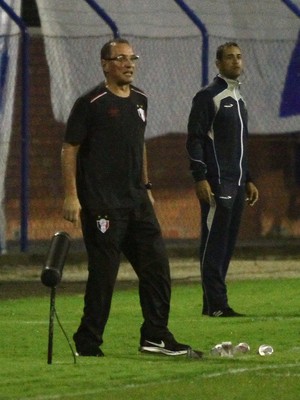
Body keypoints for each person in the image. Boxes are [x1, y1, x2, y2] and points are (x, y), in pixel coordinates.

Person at [61, 38, 192, 357]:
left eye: (132, 58)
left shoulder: (141, 99)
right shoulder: (91, 102)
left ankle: (155, 336)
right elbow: (69, 148)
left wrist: (146, 187)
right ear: (105, 64)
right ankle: (88, 341)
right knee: (104, 276)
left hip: (137, 203)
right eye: (120, 59)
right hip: (103, 205)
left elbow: (139, 144)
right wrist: (71, 196)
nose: (128, 64)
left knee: (157, 268)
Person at [186, 42, 259, 317]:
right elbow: (195, 139)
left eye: (239, 57)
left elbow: (239, 144)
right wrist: (200, 177)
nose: (236, 62)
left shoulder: (238, 97)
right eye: (229, 58)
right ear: (218, 63)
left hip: (238, 182)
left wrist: (248, 178)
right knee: (214, 244)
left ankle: (213, 304)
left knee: (226, 244)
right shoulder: (208, 96)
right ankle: (217, 305)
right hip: (218, 182)